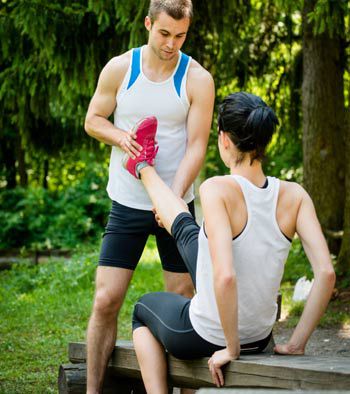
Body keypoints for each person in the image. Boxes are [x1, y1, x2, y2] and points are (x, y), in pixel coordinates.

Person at [123, 92, 336, 392]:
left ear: (224, 139)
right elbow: (326, 274)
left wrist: (231, 349)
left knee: (142, 310)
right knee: (185, 228)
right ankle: (143, 165)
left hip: (210, 334)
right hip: (259, 336)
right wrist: (296, 342)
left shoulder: (216, 189)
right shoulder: (296, 195)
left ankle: (142, 165)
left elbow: (224, 276)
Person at [83, 0, 215, 392]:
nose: (171, 43)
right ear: (148, 24)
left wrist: (171, 200)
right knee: (106, 299)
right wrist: (121, 137)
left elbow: (197, 146)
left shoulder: (197, 78)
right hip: (127, 202)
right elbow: (93, 120)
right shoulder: (121, 68)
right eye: (164, 33)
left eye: (180, 35)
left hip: (175, 205)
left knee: (184, 300)